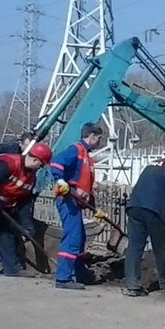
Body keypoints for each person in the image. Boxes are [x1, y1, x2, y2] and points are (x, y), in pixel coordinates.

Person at [123, 140, 165, 297]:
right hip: (155, 210)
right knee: (162, 247)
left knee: (134, 246)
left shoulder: (153, 163)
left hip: (134, 206)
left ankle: (132, 284)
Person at [0, 142, 53, 279]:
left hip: (2, 204)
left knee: (6, 233)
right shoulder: (9, 163)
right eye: (41, 164)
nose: (41, 167)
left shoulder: (31, 178)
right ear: (35, 160)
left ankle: (12, 268)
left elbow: (24, 201)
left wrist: (27, 225)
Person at [50, 122, 105, 290]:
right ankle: (63, 278)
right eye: (99, 138)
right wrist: (61, 182)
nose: (99, 142)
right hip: (67, 199)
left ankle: (79, 273)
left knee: (79, 237)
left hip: (75, 200)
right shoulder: (76, 150)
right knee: (73, 237)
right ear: (92, 136)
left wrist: (94, 208)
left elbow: (85, 186)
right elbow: (56, 163)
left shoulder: (86, 156)